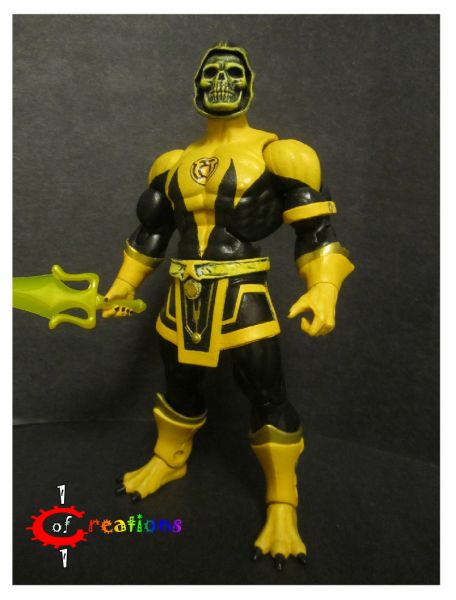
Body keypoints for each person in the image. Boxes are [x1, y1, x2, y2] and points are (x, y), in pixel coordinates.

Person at [104, 42, 354, 570]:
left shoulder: (281, 154)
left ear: (249, 83)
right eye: (211, 72)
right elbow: (151, 232)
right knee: (179, 384)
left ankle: (282, 502)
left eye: (232, 72)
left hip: (242, 293)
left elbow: (316, 230)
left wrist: (324, 287)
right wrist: (123, 285)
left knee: (266, 393)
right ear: (196, 85)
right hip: (182, 295)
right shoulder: (171, 163)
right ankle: (169, 458)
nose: (222, 80)